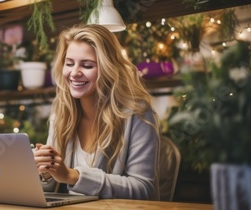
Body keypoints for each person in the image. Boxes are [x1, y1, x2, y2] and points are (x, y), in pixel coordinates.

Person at [33, 24, 160, 200]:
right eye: (69, 63)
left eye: (87, 65)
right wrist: (46, 170)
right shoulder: (62, 112)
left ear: (108, 69)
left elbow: (143, 189)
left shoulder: (137, 114)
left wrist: (73, 176)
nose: (74, 73)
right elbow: (52, 185)